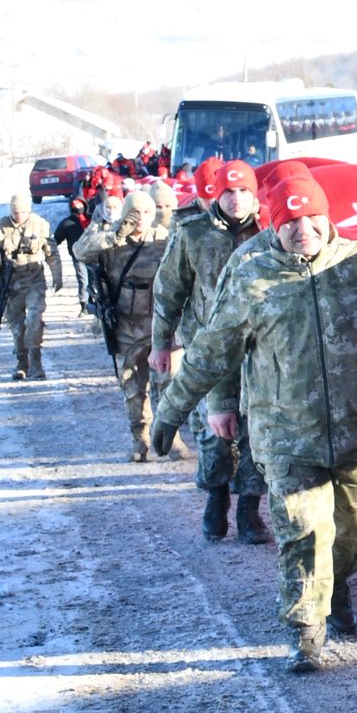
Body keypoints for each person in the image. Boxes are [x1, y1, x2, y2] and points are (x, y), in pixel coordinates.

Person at [151, 169, 357, 673]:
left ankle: (336, 584)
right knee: (303, 532)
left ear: (328, 219)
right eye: (290, 221)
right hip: (286, 437)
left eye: (311, 218)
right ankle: (306, 632)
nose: (302, 228)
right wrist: (171, 411)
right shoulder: (252, 275)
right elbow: (211, 351)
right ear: (275, 226)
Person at [150, 158, 271, 543]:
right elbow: (169, 291)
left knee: (257, 430)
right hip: (212, 349)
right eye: (228, 192)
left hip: (263, 351)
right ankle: (216, 499)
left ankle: (250, 511)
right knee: (215, 432)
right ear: (216, 194)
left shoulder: (271, 230)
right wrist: (160, 343)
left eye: (244, 192)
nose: (236, 200)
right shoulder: (193, 234)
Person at [75, 190, 173, 461]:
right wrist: (115, 235)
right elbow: (80, 250)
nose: (140, 219)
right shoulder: (111, 243)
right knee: (132, 387)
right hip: (126, 327)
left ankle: (168, 436)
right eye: (134, 212)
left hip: (161, 325)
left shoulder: (164, 240)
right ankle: (140, 440)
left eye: (145, 213)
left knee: (169, 383)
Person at [0, 190, 63, 380]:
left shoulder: (40, 226)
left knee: (35, 320)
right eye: (15, 212)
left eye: (22, 212)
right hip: (11, 284)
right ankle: (22, 363)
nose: (18, 215)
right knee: (17, 325)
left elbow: (51, 252)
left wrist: (57, 275)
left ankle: (36, 362)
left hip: (34, 280)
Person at [52, 196, 92, 310]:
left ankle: (94, 302)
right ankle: (84, 305)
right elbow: (56, 239)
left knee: (94, 281)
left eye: (80, 205)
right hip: (77, 257)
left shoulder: (92, 220)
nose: (77, 208)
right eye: (74, 206)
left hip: (93, 255)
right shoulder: (67, 223)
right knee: (83, 281)